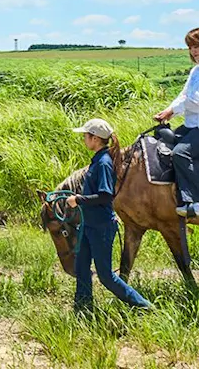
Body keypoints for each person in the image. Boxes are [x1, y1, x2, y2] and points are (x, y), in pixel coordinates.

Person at [65, 118, 153, 313]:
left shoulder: (103, 163)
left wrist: (78, 200)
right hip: (89, 225)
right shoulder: (98, 160)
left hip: (100, 227)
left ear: (95, 138)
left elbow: (105, 196)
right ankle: (83, 310)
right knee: (81, 268)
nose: (84, 140)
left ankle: (145, 307)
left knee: (106, 276)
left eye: (85, 136)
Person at [154, 27, 199, 218]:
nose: (194, 51)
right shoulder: (195, 71)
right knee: (161, 139)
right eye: (191, 47)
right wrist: (168, 111)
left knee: (180, 153)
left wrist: (173, 110)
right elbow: (184, 95)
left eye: (197, 46)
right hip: (191, 125)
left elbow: (196, 101)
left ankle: (196, 202)